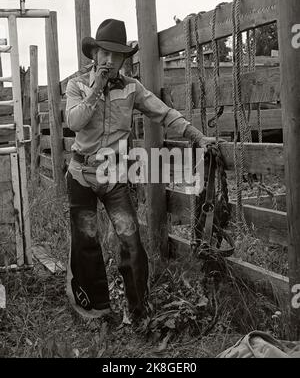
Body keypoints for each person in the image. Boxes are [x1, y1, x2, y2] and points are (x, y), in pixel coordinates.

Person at [65, 18, 216, 322]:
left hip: (114, 175)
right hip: (81, 174)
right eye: (103, 53)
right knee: (87, 240)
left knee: (131, 239)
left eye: (115, 55)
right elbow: (74, 122)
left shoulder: (132, 88)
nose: (109, 60)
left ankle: (138, 313)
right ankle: (98, 309)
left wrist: (197, 135)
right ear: (94, 55)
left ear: (123, 59)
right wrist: (96, 89)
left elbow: (163, 112)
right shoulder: (77, 85)